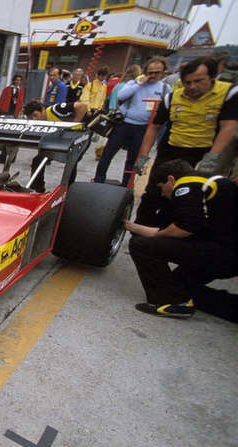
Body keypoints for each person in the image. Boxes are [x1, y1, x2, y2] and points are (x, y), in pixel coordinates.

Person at [124, 159, 236, 323]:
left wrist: (153, 236)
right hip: (226, 254)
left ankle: (173, 303)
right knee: (177, 285)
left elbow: (184, 228)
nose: (163, 194)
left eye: (161, 188)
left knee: (140, 246)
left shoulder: (187, 183)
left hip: (223, 253)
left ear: (170, 179)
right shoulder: (211, 181)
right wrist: (129, 226)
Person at [134, 56, 238, 224]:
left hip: (202, 153)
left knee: (185, 196)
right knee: (153, 194)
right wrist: (144, 155)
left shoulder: (228, 94)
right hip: (171, 151)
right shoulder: (172, 98)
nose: (192, 87)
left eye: (198, 81)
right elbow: (154, 127)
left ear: (212, 77)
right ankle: (139, 233)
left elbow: (228, 127)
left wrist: (213, 158)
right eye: (187, 82)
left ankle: (168, 234)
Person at [93, 59, 168, 187]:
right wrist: (139, 83)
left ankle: (127, 185)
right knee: (107, 154)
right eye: (150, 72)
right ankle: (98, 181)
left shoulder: (165, 88)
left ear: (163, 73)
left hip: (143, 128)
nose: (153, 75)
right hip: (124, 124)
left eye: (157, 72)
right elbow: (121, 96)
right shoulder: (134, 83)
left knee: (133, 159)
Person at [23, 100, 88, 192]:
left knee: (71, 162)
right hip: (58, 142)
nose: (34, 119)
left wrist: (73, 125)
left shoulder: (56, 110)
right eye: (30, 117)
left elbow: (82, 105)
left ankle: (68, 191)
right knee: (37, 160)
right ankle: (37, 189)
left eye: (35, 115)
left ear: (43, 110)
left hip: (77, 139)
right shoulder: (37, 123)